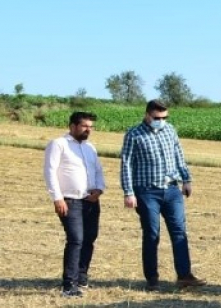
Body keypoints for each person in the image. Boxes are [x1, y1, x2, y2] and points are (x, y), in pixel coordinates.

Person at [120, 99, 207, 291]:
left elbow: (179, 155)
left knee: (179, 232)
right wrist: (128, 192)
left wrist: (186, 179)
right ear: (147, 115)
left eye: (165, 117)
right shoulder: (134, 134)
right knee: (152, 234)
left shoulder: (170, 130)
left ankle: (184, 275)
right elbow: (126, 164)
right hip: (146, 191)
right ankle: (152, 278)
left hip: (172, 189)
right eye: (157, 117)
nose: (161, 120)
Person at [43, 111, 106, 297]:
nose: (89, 130)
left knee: (89, 238)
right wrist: (57, 198)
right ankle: (69, 284)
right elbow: (50, 171)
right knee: (76, 239)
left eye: (91, 127)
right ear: (72, 126)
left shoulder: (90, 148)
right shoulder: (58, 145)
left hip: (91, 201)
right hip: (70, 200)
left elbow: (99, 171)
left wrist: (99, 189)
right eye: (85, 126)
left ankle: (81, 277)